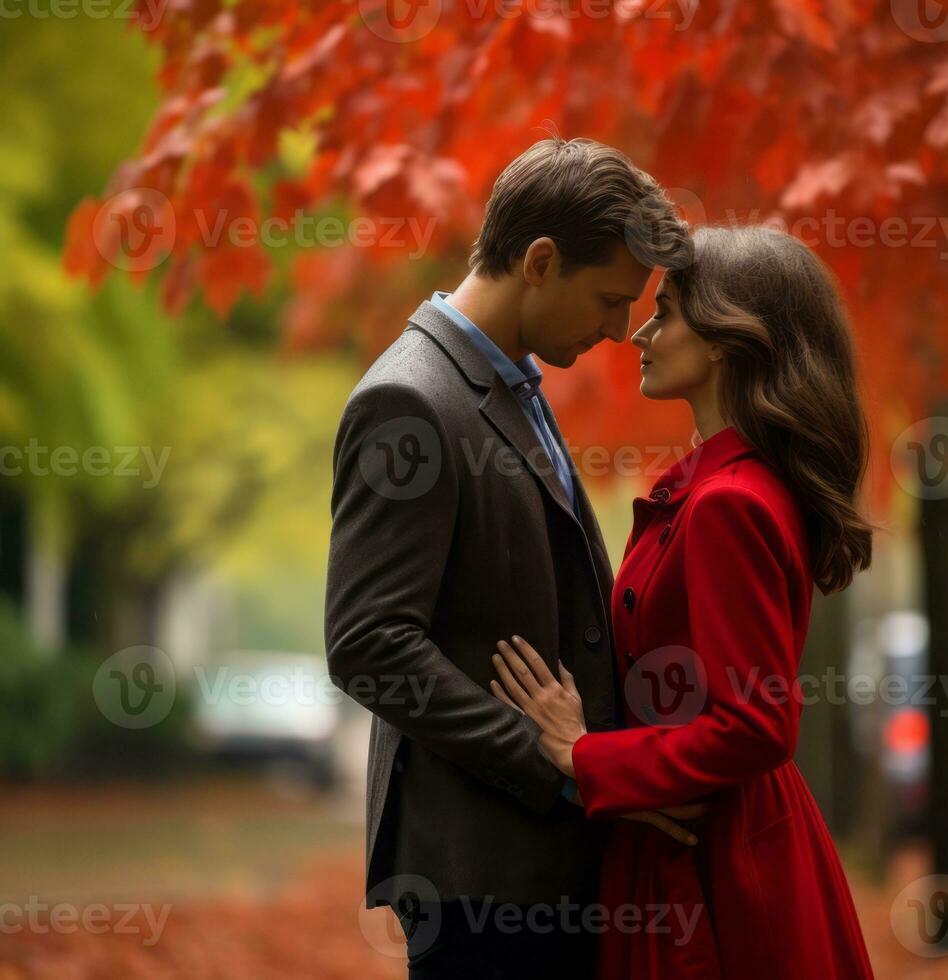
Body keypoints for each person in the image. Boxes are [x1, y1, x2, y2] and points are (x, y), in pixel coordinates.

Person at [324, 135, 693, 979]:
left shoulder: (504, 382)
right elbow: (369, 646)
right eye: (607, 300)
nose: (615, 330)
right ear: (538, 260)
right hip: (481, 875)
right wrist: (561, 769)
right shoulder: (409, 400)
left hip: (532, 869)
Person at [491, 225, 878, 979]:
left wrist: (583, 755)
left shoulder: (726, 504)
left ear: (729, 339)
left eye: (665, 311)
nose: (639, 330)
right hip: (689, 836)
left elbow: (756, 723)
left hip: (722, 864)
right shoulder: (712, 487)